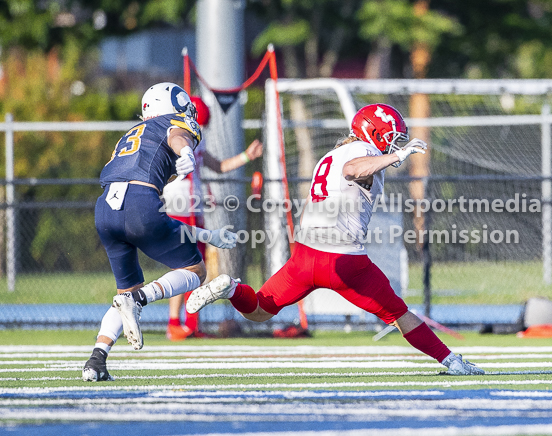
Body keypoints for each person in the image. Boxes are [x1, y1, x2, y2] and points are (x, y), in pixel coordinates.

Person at [185, 103, 485, 376]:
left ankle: (231, 288)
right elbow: (353, 170)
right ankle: (452, 361)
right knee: (399, 314)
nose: (396, 143)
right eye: (391, 137)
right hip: (344, 260)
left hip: (305, 255)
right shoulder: (361, 154)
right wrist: (396, 155)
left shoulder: (330, 154)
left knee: (260, 311)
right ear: (374, 134)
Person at [82, 82, 237, 382]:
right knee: (196, 269)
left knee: (122, 293)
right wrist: (186, 153)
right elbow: (177, 135)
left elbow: (160, 219)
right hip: (139, 203)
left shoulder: (129, 135)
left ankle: (96, 360)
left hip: (104, 210)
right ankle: (141, 299)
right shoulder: (173, 125)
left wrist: (208, 236)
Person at [163, 96, 263, 341]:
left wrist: (247, 156)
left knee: (196, 265)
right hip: (180, 204)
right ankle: (178, 323)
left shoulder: (197, 139)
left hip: (194, 205)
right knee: (186, 264)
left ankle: (188, 323)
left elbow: (218, 166)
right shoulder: (173, 136)